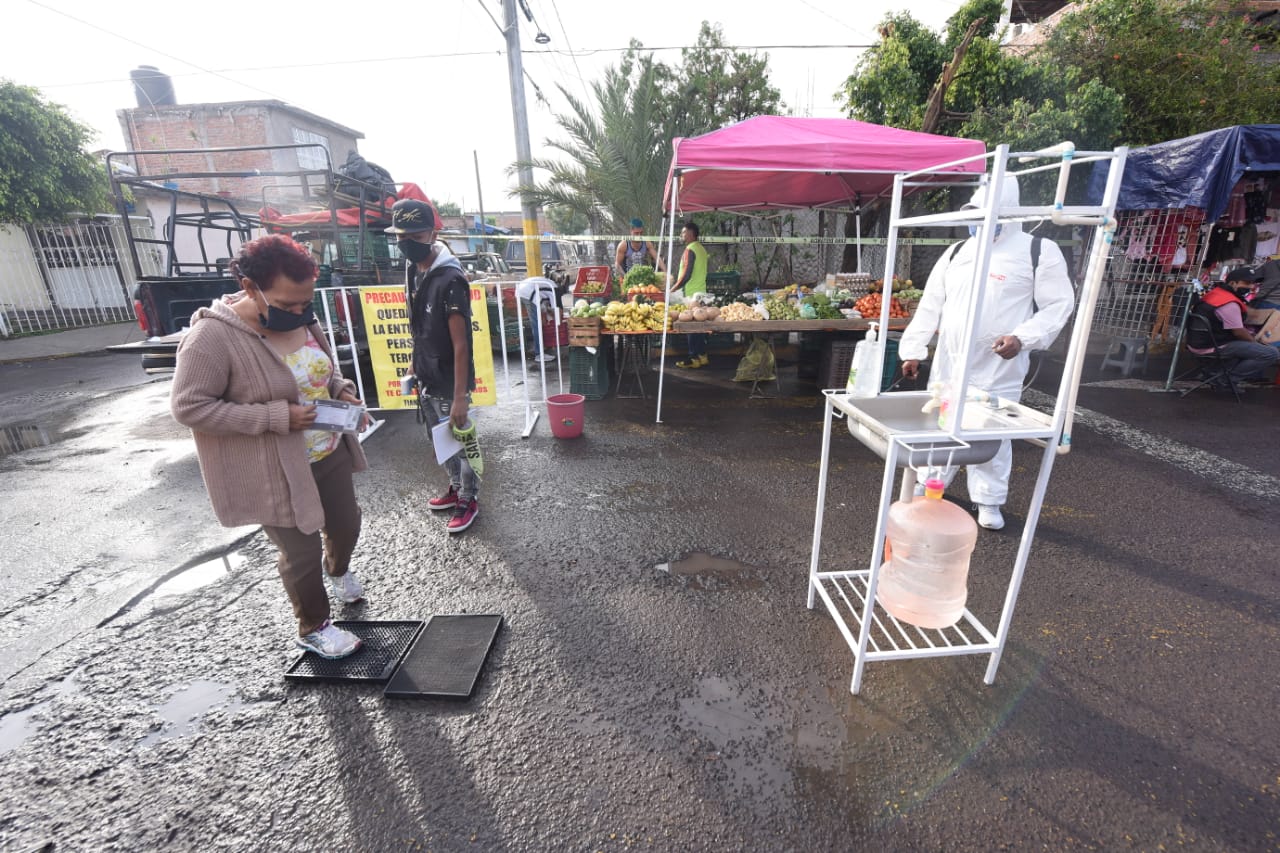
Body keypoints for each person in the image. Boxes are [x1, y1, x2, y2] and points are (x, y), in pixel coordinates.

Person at [170, 234, 369, 659]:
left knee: (346, 524)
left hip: (327, 449)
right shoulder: (211, 337)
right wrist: (275, 418)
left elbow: (323, 373)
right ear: (249, 287)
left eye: (305, 304)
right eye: (288, 304)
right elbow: (189, 407)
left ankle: (338, 571)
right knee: (300, 552)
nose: (298, 313)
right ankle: (313, 626)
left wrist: (343, 391)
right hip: (274, 466)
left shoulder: (300, 318)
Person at [899, 176, 1075, 531]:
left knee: (990, 431)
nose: (978, 223)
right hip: (951, 360)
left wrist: (1022, 338)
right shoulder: (957, 252)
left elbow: (1059, 305)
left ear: (1007, 216)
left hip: (999, 365)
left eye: (986, 215)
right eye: (974, 215)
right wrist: (914, 349)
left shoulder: (1036, 251)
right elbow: (932, 304)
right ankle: (931, 481)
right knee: (942, 422)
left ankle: (989, 500)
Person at [386, 198, 481, 533]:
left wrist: (459, 397)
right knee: (439, 440)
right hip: (426, 374)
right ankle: (455, 486)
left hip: (451, 380)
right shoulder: (413, 270)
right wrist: (413, 367)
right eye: (400, 236)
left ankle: (469, 497)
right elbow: (418, 329)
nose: (406, 243)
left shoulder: (450, 279)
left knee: (460, 439)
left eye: (414, 234)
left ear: (432, 233)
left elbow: (461, 344)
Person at [1186, 266, 1280, 381]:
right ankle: (1226, 379)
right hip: (1212, 346)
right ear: (1233, 283)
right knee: (1271, 353)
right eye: (1247, 283)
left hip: (1199, 342)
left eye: (1252, 283)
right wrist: (1255, 343)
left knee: (1255, 344)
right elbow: (1239, 332)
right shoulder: (1229, 303)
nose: (1251, 286)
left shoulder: (1217, 293)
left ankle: (1215, 371)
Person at [672, 221, 710, 369]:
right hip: (701, 292)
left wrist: (674, 288)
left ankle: (693, 357)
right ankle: (702, 356)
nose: (681, 235)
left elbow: (686, 274)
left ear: (691, 233)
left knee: (690, 326)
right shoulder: (701, 248)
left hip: (692, 294)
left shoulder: (690, 249)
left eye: (683, 232)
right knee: (699, 326)